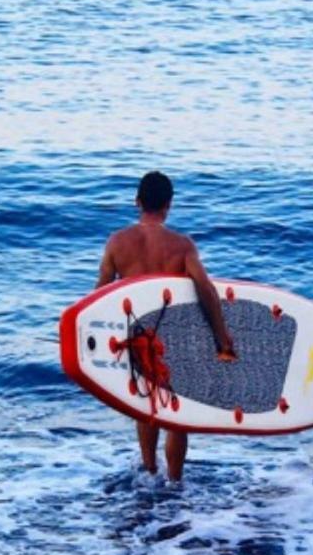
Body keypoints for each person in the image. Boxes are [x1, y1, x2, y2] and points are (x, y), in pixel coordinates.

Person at [95, 171, 235, 482]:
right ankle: (174, 481)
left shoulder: (117, 243)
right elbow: (206, 290)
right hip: (174, 337)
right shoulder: (182, 246)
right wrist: (222, 339)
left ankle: (149, 471)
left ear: (137, 202)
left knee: (146, 401)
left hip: (137, 338)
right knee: (177, 413)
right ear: (169, 205)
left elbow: (100, 294)